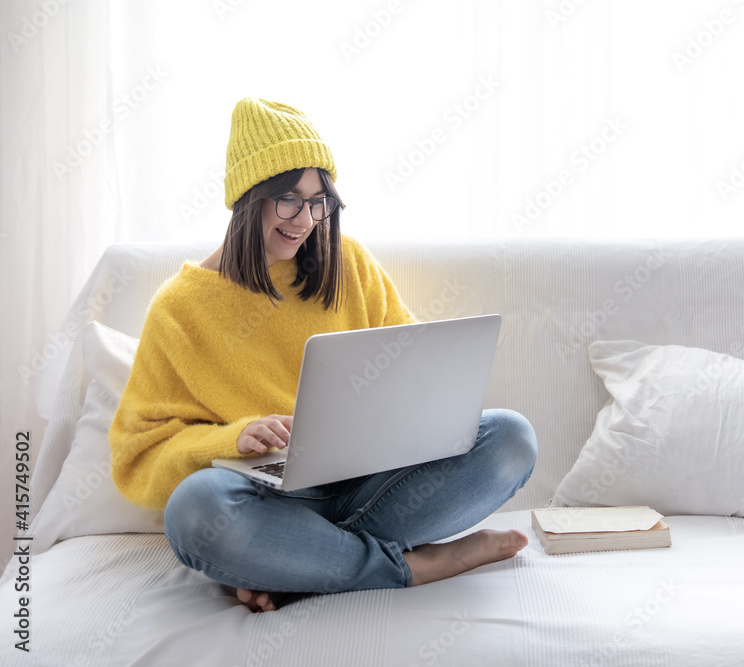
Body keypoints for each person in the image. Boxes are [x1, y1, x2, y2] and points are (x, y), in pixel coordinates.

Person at [108, 97, 537, 613]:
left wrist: (418, 412)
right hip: (272, 498)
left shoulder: (347, 263)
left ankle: (299, 567)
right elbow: (140, 453)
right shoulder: (180, 309)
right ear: (248, 197)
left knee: (511, 437)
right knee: (196, 513)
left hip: (374, 485)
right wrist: (234, 436)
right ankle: (414, 565)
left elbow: (413, 366)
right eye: (288, 199)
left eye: (319, 201)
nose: (306, 219)